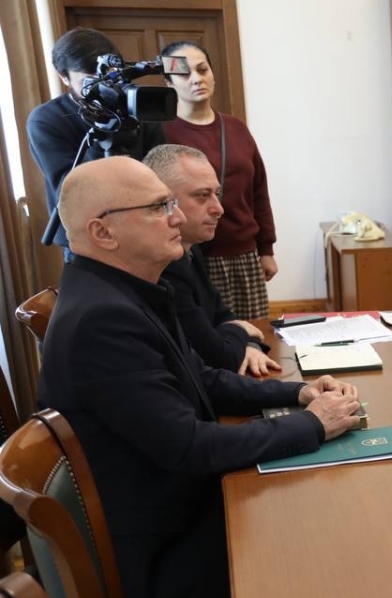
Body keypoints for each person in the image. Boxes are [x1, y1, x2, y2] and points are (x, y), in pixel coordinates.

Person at [37, 156, 362, 598]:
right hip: (162, 560)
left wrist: (298, 392)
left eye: (172, 203)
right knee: (329, 552)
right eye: (157, 207)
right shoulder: (102, 321)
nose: (176, 218)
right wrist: (313, 424)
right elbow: (190, 446)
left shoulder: (124, 290)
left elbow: (202, 378)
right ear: (103, 233)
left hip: (178, 515)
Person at [160, 40, 278, 320]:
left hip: (243, 255)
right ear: (169, 83)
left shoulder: (236, 128)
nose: (196, 79)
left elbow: (258, 191)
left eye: (202, 70)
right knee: (204, 337)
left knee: (254, 336)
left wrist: (266, 249)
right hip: (188, 256)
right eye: (184, 74)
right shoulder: (160, 132)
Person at [27, 28, 166, 260]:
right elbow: (71, 188)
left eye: (108, 77)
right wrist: (103, 127)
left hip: (143, 224)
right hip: (86, 236)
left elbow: (160, 168)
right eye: (88, 81)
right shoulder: (47, 119)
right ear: (64, 77)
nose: (102, 87)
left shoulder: (134, 106)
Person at [144, 143, 281, 376]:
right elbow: (218, 356)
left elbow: (221, 314)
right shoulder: (162, 265)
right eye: (202, 196)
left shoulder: (191, 248)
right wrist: (241, 332)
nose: (219, 209)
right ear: (164, 201)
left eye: (216, 194)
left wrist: (250, 343)